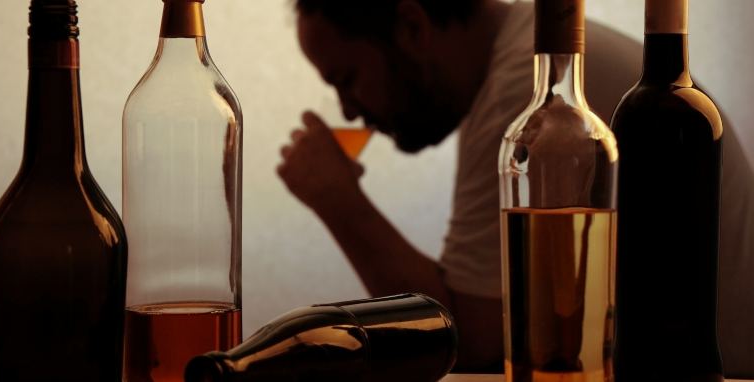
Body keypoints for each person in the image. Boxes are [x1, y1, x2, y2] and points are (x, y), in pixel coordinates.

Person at [276, 0, 754, 375]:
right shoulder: (513, 63)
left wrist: (338, 200)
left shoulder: (524, 92)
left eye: (347, 79)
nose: (348, 111)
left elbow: (470, 341)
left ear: (412, 27)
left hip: (717, 372)